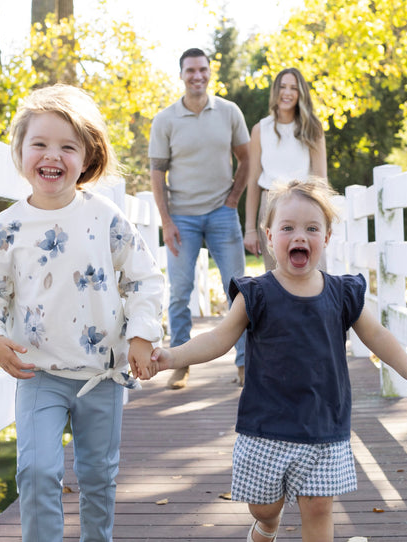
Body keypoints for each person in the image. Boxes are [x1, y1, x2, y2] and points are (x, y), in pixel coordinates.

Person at [141, 179, 407, 542]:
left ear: (327, 238)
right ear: (269, 237)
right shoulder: (256, 294)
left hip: (323, 424)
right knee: (263, 506)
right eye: (288, 228)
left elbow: (376, 335)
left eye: (312, 228)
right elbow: (219, 339)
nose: (300, 236)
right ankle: (267, 525)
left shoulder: (342, 293)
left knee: (319, 508)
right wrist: (172, 356)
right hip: (266, 425)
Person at [0, 84, 164, 542]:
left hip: (101, 374)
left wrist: (141, 334)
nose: (52, 156)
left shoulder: (106, 217)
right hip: (39, 373)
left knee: (97, 477)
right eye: (40, 143)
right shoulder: (8, 227)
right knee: (35, 472)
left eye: (67, 146)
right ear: (20, 151)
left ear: (88, 157)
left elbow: (144, 278)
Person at [149, 47, 250, 389]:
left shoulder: (229, 112)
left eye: (202, 69)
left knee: (238, 290)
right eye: (190, 70)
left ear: (210, 72)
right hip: (182, 218)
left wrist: (233, 200)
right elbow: (156, 174)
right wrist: (166, 220)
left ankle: (245, 364)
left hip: (222, 214)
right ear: (181, 75)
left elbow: (247, 159)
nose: (197, 76)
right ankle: (180, 362)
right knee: (180, 291)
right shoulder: (165, 120)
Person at [244, 67, 327, 271]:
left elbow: (320, 178)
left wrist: (325, 222)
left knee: (315, 273)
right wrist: (250, 230)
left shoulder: (312, 128)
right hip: (271, 206)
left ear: (301, 93)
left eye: (293, 88)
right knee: (276, 276)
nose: (287, 93)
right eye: (282, 87)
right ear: (275, 91)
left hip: (306, 204)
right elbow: (253, 181)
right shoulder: (260, 129)